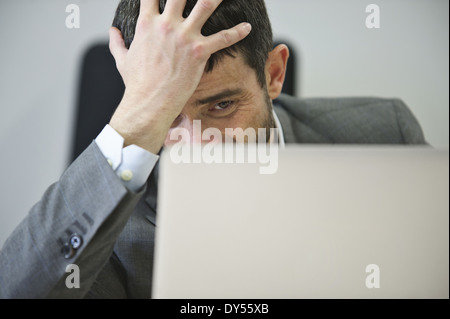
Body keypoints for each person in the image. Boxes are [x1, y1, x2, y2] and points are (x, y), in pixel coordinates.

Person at [0, 0, 426, 299]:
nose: (196, 142)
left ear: (273, 74)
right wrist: (137, 120)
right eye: (167, 112)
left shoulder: (386, 133)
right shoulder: (105, 224)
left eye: (221, 105)